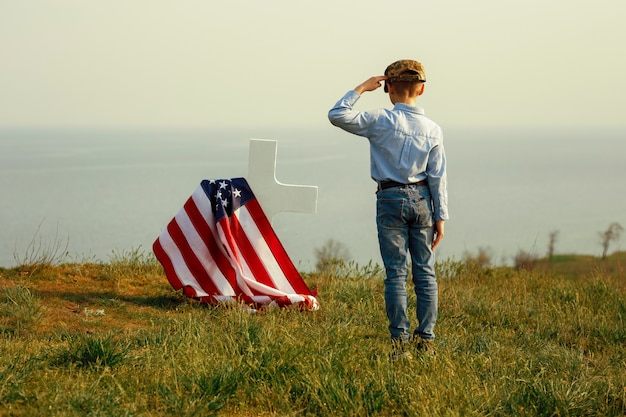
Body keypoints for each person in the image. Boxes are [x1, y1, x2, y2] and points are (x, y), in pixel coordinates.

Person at [328, 59, 448, 357]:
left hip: (390, 198)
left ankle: (400, 344)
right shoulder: (433, 129)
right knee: (425, 272)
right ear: (422, 89)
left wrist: (361, 88)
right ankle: (427, 341)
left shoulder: (380, 119)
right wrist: (441, 216)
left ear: (388, 88)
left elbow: (337, 115)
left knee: (395, 272)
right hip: (423, 201)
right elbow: (438, 176)